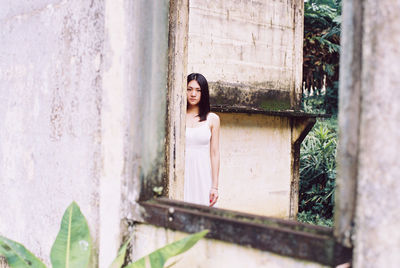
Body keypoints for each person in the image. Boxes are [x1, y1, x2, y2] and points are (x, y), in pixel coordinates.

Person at [184, 73, 220, 207]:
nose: (193, 94)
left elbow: (215, 154)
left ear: (203, 93)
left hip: (203, 174)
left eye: (198, 90)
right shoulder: (177, 116)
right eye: (189, 89)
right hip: (183, 174)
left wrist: (215, 187)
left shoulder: (213, 119)